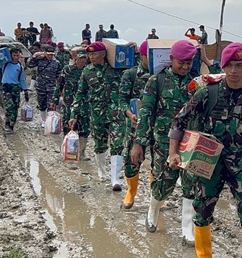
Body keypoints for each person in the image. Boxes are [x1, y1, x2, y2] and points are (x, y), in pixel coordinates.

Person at [168, 42, 242, 258]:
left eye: (240, 65)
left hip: (240, 163)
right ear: (223, 67)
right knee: (202, 210)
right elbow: (179, 120)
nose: (235, 70)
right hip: (209, 163)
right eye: (230, 66)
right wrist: (173, 152)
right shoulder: (208, 93)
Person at [131, 40, 198, 241]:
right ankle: (153, 211)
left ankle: (188, 229)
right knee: (164, 182)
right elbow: (146, 113)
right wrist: (138, 143)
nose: (185, 67)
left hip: (189, 143)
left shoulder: (196, 82)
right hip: (162, 142)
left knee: (190, 184)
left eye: (189, 62)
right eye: (181, 62)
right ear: (171, 59)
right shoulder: (156, 80)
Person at [69, 42, 127, 189]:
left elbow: (135, 66)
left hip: (116, 113)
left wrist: (134, 50)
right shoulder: (87, 71)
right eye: (89, 54)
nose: (91, 57)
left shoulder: (116, 69)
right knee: (100, 145)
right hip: (97, 114)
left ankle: (115, 179)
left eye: (94, 54)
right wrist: (74, 114)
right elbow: (80, 93)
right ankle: (102, 171)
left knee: (117, 144)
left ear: (103, 54)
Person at [119, 40, 150, 211]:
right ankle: (131, 192)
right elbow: (122, 100)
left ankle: (157, 196)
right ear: (142, 55)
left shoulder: (162, 75)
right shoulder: (131, 74)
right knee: (131, 161)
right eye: (149, 56)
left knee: (158, 163)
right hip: (135, 125)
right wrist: (129, 114)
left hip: (157, 127)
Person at [54, 50, 90, 159]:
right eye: (80, 58)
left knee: (85, 128)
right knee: (67, 126)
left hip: (85, 104)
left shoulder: (88, 70)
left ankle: (82, 152)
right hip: (69, 103)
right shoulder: (68, 70)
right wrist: (55, 98)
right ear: (75, 58)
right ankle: (66, 149)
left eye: (84, 58)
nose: (82, 60)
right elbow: (59, 84)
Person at [27, 45, 64, 123]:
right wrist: (34, 56)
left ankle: (49, 122)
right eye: (48, 54)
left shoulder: (56, 63)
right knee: (42, 105)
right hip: (41, 86)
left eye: (52, 54)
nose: (50, 56)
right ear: (44, 53)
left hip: (51, 87)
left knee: (51, 104)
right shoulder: (40, 60)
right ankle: (44, 121)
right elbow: (30, 65)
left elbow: (58, 75)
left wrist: (60, 88)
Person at [0, 48, 30, 134]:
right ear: (10, 55)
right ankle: (7, 123)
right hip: (6, 88)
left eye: (17, 55)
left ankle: (12, 125)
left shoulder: (20, 67)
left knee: (15, 107)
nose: (16, 57)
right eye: (14, 55)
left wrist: (25, 91)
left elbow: (22, 79)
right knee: (9, 106)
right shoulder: (5, 64)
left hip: (16, 88)